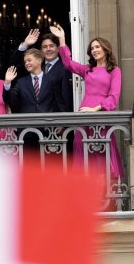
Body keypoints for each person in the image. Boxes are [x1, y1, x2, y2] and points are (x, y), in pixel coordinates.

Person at [50, 25, 123, 178]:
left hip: (101, 115)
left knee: (101, 153)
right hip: (84, 115)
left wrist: (96, 109)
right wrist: (62, 39)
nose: (95, 50)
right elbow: (68, 63)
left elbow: (114, 97)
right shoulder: (88, 69)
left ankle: (105, 197)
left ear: (106, 49)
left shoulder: (114, 71)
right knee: (83, 154)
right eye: (92, 48)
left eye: (97, 47)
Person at [10, 28, 73, 112]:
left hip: (54, 120)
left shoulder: (65, 68)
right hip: (32, 119)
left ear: (58, 49)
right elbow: (13, 64)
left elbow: (66, 97)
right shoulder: (35, 66)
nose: (48, 49)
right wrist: (25, 44)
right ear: (41, 51)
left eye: (51, 46)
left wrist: (63, 122)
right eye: (44, 47)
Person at [3, 48, 58, 113]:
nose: (26, 63)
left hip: (48, 120)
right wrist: (7, 83)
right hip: (27, 121)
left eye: (29, 60)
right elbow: (10, 101)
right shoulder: (21, 82)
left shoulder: (51, 80)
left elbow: (58, 102)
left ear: (39, 61)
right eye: (25, 61)